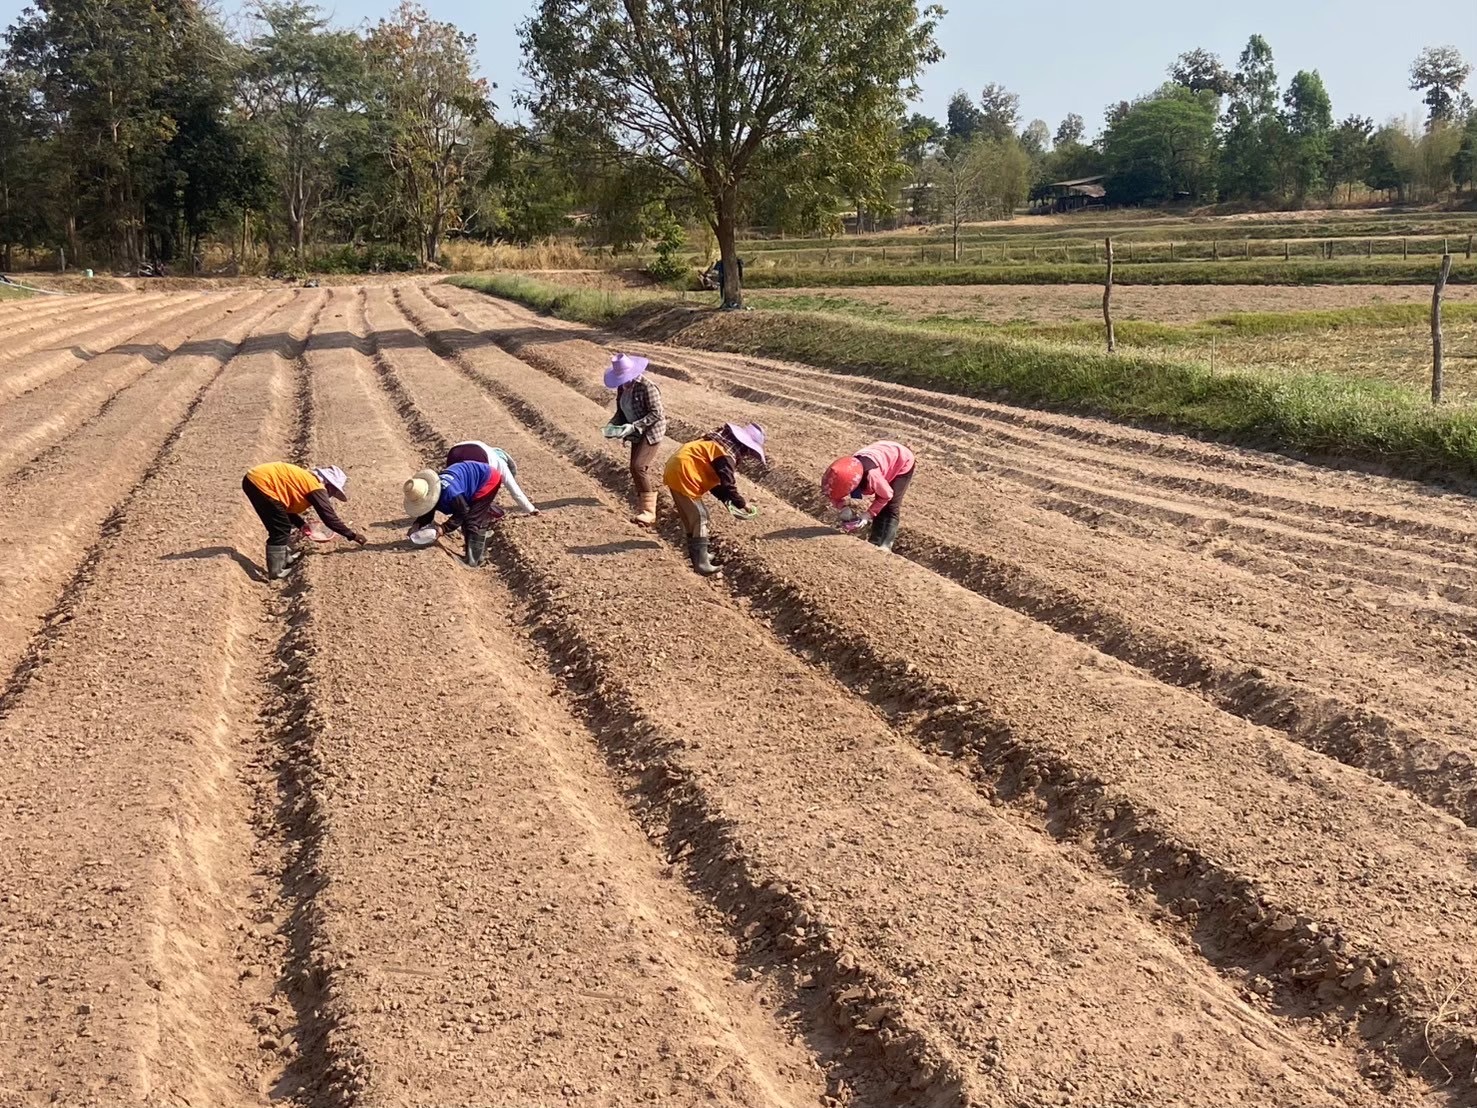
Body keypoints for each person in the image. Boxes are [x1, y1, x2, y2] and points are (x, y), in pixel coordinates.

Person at [662, 422, 766, 576]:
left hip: (677, 470)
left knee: (692, 519)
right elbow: (728, 484)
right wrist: (742, 504)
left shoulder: (715, 445)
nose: (746, 455)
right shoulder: (725, 455)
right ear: (743, 446)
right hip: (685, 474)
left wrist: (728, 502)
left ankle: (698, 555)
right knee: (700, 516)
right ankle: (702, 563)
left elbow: (716, 485)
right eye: (748, 451)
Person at [242, 462, 366, 580]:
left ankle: (285, 559)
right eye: (333, 491)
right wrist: (352, 535)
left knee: (282, 524)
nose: (331, 494)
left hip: (255, 480)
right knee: (280, 529)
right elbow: (329, 517)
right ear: (329, 484)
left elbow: (284, 509)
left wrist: (301, 525)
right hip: (260, 482)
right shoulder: (315, 487)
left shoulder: (306, 481)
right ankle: (276, 571)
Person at [403, 456, 506, 568]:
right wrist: (417, 525)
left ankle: (473, 561)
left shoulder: (450, 493)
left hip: (488, 479)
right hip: (469, 480)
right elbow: (428, 511)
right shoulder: (433, 490)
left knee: (472, 520)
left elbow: (463, 511)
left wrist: (443, 528)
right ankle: (481, 539)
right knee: (471, 517)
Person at [601, 353, 666, 525]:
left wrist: (635, 425)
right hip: (636, 431)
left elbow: (656, 414)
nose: (623, 382)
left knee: (638, 466)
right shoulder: (622, 388)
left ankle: (649, 512)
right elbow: (621, 412)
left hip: (651, 431)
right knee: (634, 467)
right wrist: (612, 426)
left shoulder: (647, 387)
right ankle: (643, 507)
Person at [822, 441, 916, 554]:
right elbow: (833, 491)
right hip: (880, 453)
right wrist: (842, 507)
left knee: (891, 505)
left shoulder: (871, 476)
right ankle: (875, 542)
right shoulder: (841, 472)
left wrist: (868, 514)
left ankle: (886, 545)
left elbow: (886, 495)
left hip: (901, 458)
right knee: (880, 503)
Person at [444, 440, 538, 517]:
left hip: (454, 452)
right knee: (476, 498)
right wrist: (531, 510)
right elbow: (515, 492)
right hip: (479, 456)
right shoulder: (501, 463)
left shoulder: (487, 449)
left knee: (453, 483)